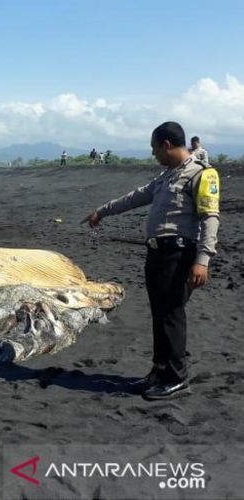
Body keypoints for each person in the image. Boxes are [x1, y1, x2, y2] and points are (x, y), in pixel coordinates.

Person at [82, 121, 220, 400]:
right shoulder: (167, 175)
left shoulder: (202, 175)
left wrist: (203, 260)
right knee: (160, 316)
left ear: (167, 145)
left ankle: (177, 378)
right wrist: (102, 211)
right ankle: (160, 372)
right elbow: (136, 197)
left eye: (155, 148)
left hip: (179, 255)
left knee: (172, 316)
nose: (154, 154)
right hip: (157, 254)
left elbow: (210, 218)